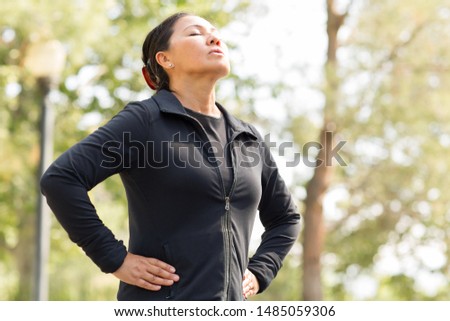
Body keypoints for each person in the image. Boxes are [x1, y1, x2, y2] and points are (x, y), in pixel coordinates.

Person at [40, 12, 301, 301]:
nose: (215, 38)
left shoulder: (247, 137)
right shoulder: (144, 121)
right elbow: (61, 179)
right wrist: (115, 259)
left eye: (215, 32)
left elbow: (285, 218)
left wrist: (260, 271)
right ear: (165, 59)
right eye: (195, 33)